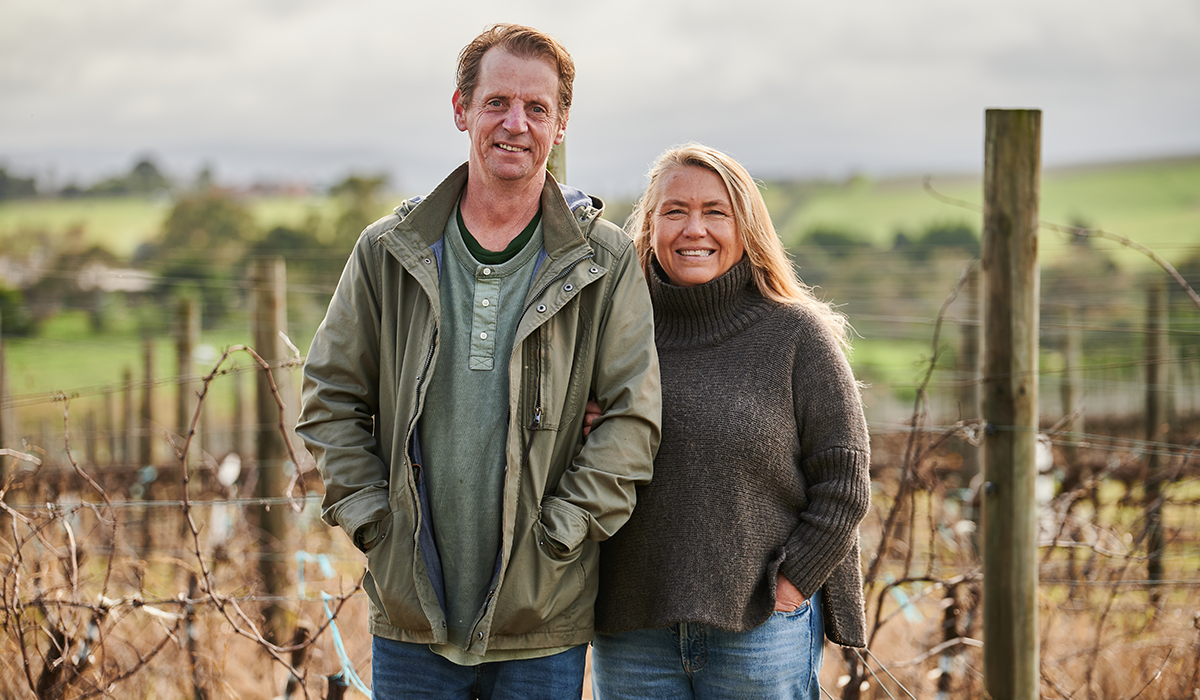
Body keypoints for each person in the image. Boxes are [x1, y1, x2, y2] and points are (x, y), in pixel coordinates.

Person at [296, 24, 661, 700]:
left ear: (560, 126)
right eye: (497, 103)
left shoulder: (603, 262)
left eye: (536, 108)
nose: (514, 124)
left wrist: (562, 537)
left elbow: (632, 421)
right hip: (413, 617)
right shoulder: (388, 251)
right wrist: (375, 521)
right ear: (461, 109)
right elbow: (330, 396)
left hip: (541, 617)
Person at [586, 144, 871, 700]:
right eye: (674, 211)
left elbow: (844, 484)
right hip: (631, 629)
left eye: (715, 211)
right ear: (648, 226)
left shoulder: (796, 336)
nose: (694, 229)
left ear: (747, 225)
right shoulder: (611, 335)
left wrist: (791, 586)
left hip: (760, 629)